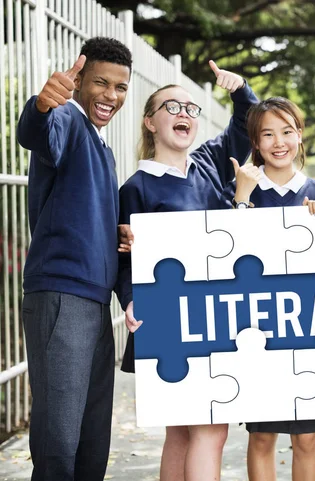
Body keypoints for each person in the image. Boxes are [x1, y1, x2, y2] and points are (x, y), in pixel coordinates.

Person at [116, 61, 258, 481]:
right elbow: (125, 258)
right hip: (168, 322)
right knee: (203, 432)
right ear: (150, 122)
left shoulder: (209, 164)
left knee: (186, 434)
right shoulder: (135, 188)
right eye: (172, 106)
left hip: (214, 315)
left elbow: (244, 126)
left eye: (191, 109)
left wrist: (240, 90)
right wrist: (128, 299)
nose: (184, 114)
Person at [16, 37, 132, 481]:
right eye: (101, 83)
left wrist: (116, 231)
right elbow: (36, 133)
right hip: (61, 294)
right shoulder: (65, 117)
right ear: (78, 80)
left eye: (120, 87)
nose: (111, 96)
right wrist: (42, 106)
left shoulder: (102, 146)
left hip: (94, 301)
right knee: (59, 439)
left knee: (90, 437)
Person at [230, 97, 315, 481]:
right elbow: (229, 255)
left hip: (310, 329)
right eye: (268, 134)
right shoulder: (242, 189)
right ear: (255, 143)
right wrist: (241, 201)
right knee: (262, 436)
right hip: (258, 329)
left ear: (300, 135)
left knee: (308, 438)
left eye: (287, 132)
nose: (279, 142)